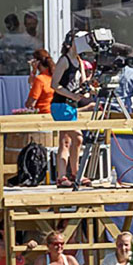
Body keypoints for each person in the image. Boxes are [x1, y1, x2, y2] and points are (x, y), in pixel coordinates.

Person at [50, 30, 91, 188]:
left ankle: (70, 174)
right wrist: (70, 95)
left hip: (71, 105)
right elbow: (55, 84)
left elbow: (82, 84)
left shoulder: (79, 61)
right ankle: (73, 172)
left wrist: (87, 90)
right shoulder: (64, 60)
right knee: (77, 137)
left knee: (65, 141)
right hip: (61, 104)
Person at [25, 49, 55, 114]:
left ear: (37, 62)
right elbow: (31, 82)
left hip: (43, 112)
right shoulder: (54, 76)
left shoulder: (40, 79)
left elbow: (31, 103)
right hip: (54, 112)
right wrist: (34, 71)